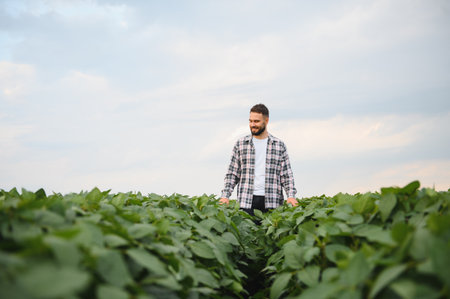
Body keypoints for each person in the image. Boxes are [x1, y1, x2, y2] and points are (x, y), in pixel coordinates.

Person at [220, 104, 298, 215]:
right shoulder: (241, 144)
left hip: (272, 202)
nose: (252, 125)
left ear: (266, 121)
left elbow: (286, 174)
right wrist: (225, 195)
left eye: (256, 121)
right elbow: (233, 173)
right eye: (250, 121)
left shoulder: (279, 145)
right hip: (246, 201)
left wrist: (291, 196)